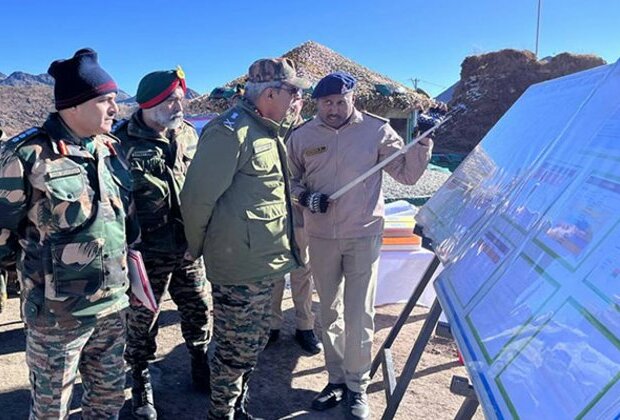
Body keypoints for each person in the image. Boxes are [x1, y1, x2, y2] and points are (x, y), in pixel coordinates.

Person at [0, 48, 139, 419]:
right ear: (74, 106)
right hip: (57, 317)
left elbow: (123, 218)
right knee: (51, 411)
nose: (116, 108)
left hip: (113, 306)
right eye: (106, 100)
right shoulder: (28, 155)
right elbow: (2, 232)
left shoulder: (110, 149)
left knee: (108, 401)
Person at [287, 71, 433, 419]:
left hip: (363, 233)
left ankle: (357, 386)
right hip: (321, 236)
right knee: (330, 312)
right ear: (316, 104)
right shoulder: (302, 135)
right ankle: (336, 380)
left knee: (359, 314)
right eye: (326, 103)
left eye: (340, 101)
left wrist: (424, 142)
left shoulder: (377, 130)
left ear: (353, 99)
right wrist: (306, 197)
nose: (334, 109)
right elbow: (287, 181)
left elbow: (408, 175)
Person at [180, 57, 310, 420]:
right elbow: (196, 199)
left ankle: (238, 409)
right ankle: (220, 414)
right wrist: (197, 248)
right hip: (238, 266)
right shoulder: (230, 132)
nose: (298, 99)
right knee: (234, 352)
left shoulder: (268, 130)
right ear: (270, 93)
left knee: (251, 347)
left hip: (263, 262)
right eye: (293, 92)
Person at [113, 68, 211, 420]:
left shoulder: (187, 134)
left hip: (188, 247)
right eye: (170, 101)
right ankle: (140, 385)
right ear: (148, 104)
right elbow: (113, 201)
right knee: (141, 324)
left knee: (198, 309)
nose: (177, 107)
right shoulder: (120, 142)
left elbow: (199, 185)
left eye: (180, 100)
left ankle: (201, 365)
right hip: (145, 253)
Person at [268, 99, 322, 355]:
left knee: (303, 270)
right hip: (272, 214)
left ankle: (305, 326)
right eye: (285, 97)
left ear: (301, 102)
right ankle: (271, 326)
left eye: (295, 99)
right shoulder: (265, 129)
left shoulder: (312, 133)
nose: (290, 104)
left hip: (301, 211)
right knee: (273, 272)